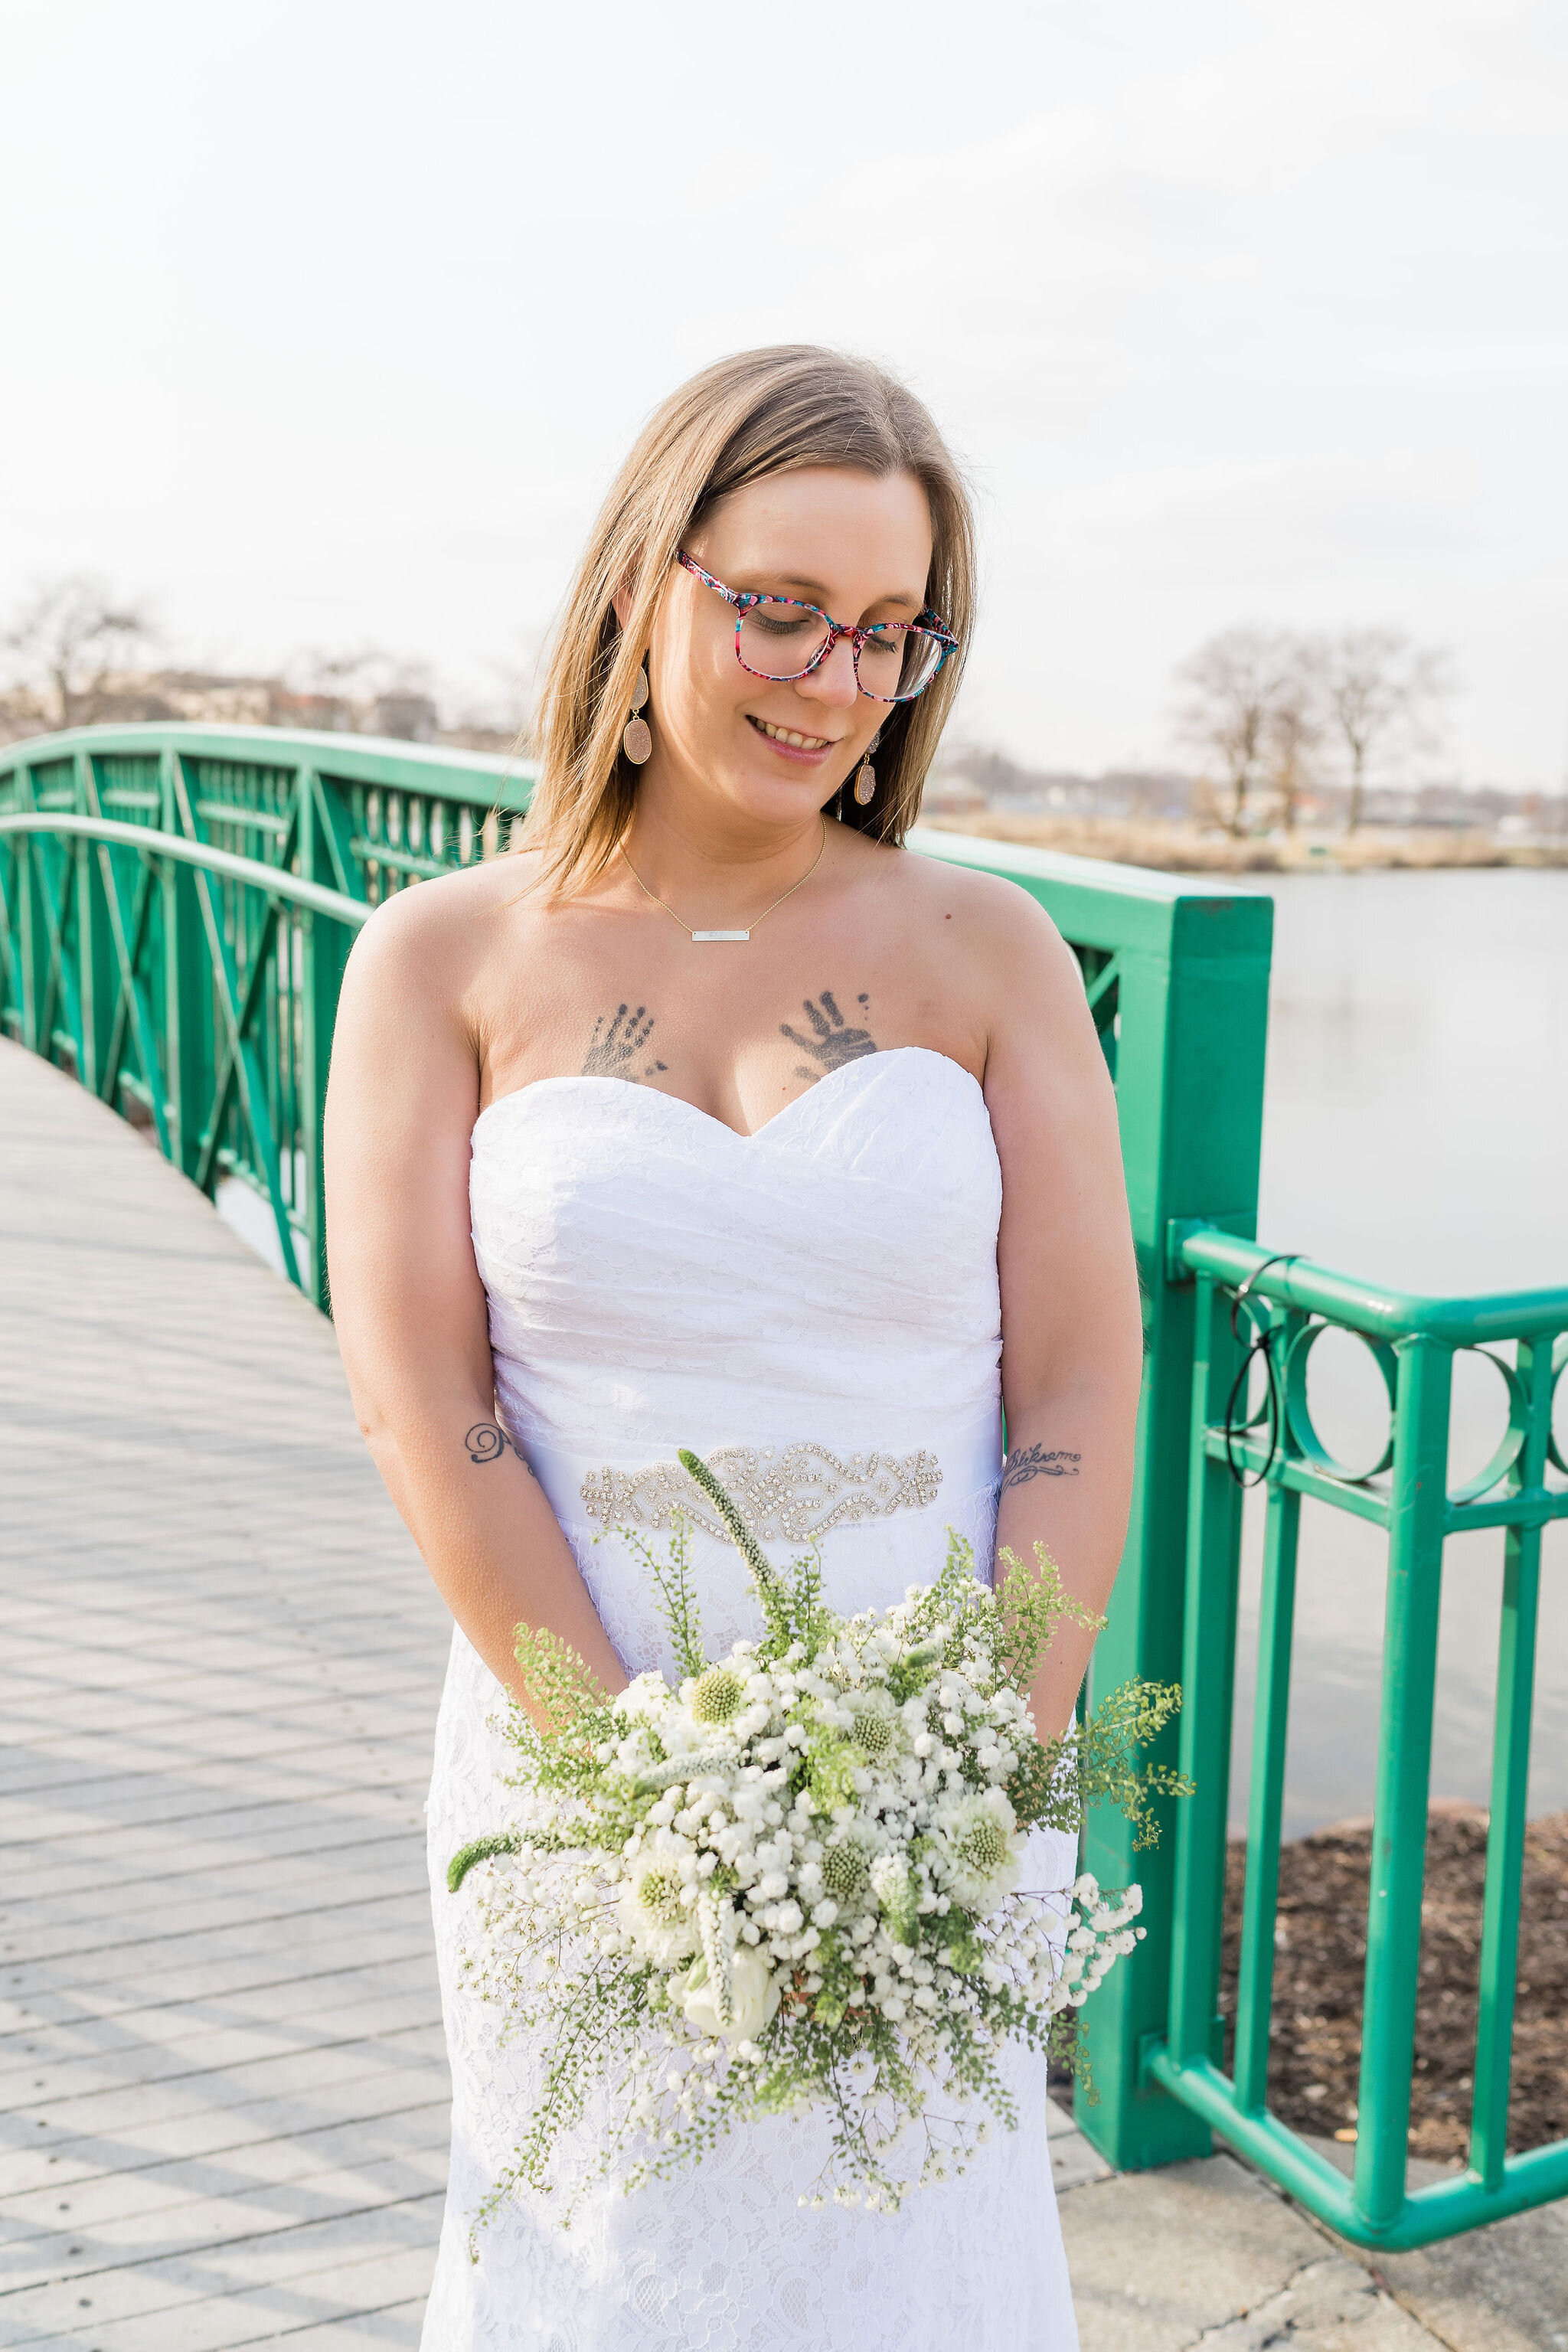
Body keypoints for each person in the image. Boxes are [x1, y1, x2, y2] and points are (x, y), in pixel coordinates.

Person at [325, 345, 1143, 2352]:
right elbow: (430, 1403)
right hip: (569, 1759)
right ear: (640, 582)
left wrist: (984, 1750)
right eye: (778, 606)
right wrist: (639, 1788)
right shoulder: (442, 960)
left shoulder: (988, 953)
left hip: (937, 1779)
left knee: (917, 2268)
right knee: (600, 2271)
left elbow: (1079, 1382)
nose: (833, 680)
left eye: (887, 632)